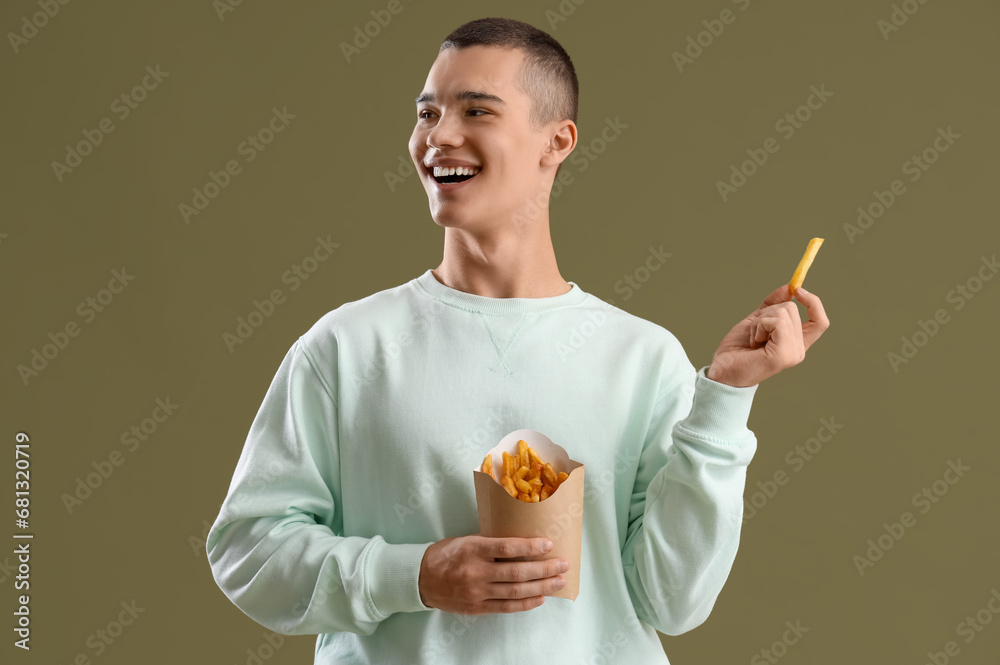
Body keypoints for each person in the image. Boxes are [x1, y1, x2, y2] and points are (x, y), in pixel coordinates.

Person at [206, 16, 830, 664]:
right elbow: (247, 550)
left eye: (476, 111)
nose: (438, 136)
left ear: (556, 141)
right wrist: (415, 575)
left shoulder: (642, 359)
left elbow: (676, 601)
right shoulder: (346, 348)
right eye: (427, 114)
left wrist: (724, 396)